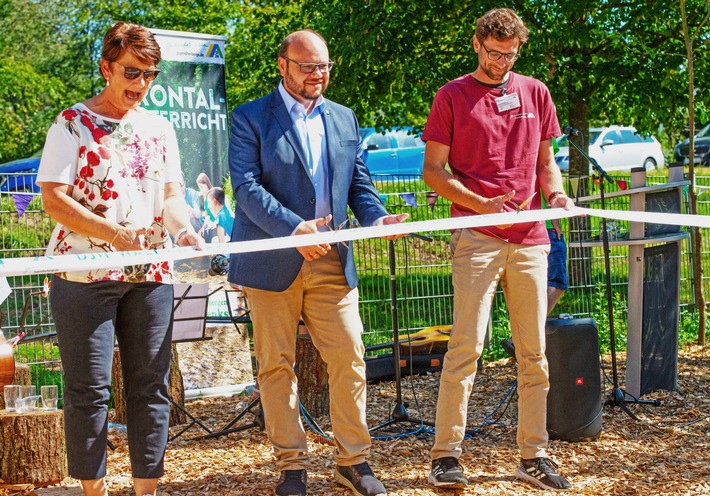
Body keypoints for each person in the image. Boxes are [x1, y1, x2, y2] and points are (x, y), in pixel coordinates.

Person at [227, 29, 408, 496]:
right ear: (283, 66)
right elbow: (245, 189)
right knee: (275, 364)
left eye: (324, 66)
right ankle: (292, 466)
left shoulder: (344, 118)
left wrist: (378, 216)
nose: (317, 75)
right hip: (273, 260)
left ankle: (354, 461)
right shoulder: (249, 117)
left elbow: (358, 185)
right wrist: (294, 228)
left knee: (350, 355)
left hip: (332, 259)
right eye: (307, 66)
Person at [36, 22, 204, 496]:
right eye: (132, 71)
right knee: (89, 391)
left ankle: (145, 491)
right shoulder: (72, 122)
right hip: (82, 273)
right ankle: (95, 492)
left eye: (151, 74)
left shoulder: (160, 127)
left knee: (150, 386)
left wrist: (185, 230)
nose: (141, 83)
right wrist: (114, 233)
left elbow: (171, 198)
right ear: (107, 67)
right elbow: (53, 198)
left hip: (150, 273)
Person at [421, 8, 573, 492]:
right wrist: (479, 203)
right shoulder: (452, 95)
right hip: (477, 236)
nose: (501, 62)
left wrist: (557, 196)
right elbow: (433, 171)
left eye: (510, 55)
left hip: (531, 238)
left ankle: (533, 454)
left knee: (535, 353)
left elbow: (546, 163)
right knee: (466, 347)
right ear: (476, 45)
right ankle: (446, 455)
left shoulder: (535, 92)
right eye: (493, 53)